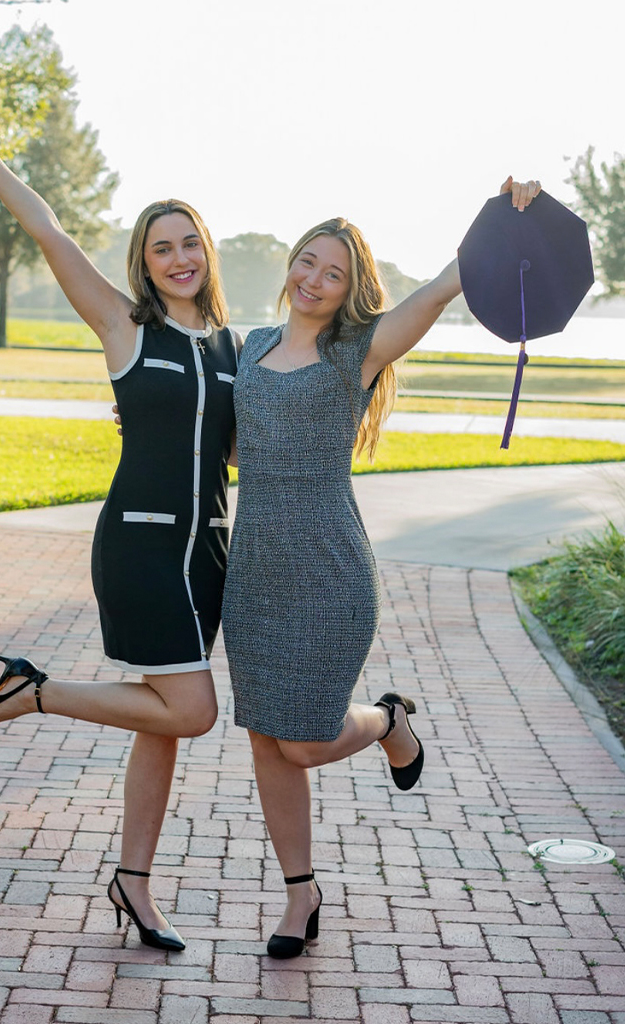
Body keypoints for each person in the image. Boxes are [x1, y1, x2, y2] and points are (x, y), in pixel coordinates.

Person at [0, 107, 240, 953]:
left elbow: (244, 447)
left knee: (163, 719)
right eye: (160, 247)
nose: (179, 258)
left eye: (189, 243)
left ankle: (134, 886)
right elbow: (47, 227)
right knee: (194, 710)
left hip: (208, 553)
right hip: (142, 551)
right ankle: (33, 693)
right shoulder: (124, 327)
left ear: (206, 251)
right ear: (143, 264)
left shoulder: (230, 346)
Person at [220, 177, 541, 958]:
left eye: (333, 272)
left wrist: (501, 216)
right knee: (267, 739)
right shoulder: (252, 346)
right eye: (307, 262)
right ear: (290, 265)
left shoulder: (355, 353)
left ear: (351, 289)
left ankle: (387, 720)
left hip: (329, 571)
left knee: (301, 739)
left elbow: (439, 291)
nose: (313, 279)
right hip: (254, 574)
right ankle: (300, 897)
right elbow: (229, 446)